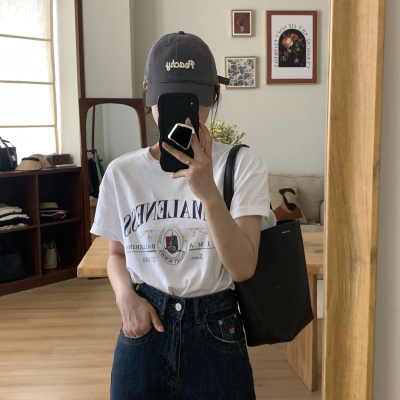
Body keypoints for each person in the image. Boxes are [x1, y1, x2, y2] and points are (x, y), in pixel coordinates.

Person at [90, 31, 277, 400]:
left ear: (213, 96)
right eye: (168, 98)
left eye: (192, 99)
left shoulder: (242, 165)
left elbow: (242, 268)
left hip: (216, 327)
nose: (183, 111)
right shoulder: (121, 173)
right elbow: (116, 255)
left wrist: (208, 193)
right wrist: (125, 298)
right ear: (148, 94)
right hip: (145, 323)